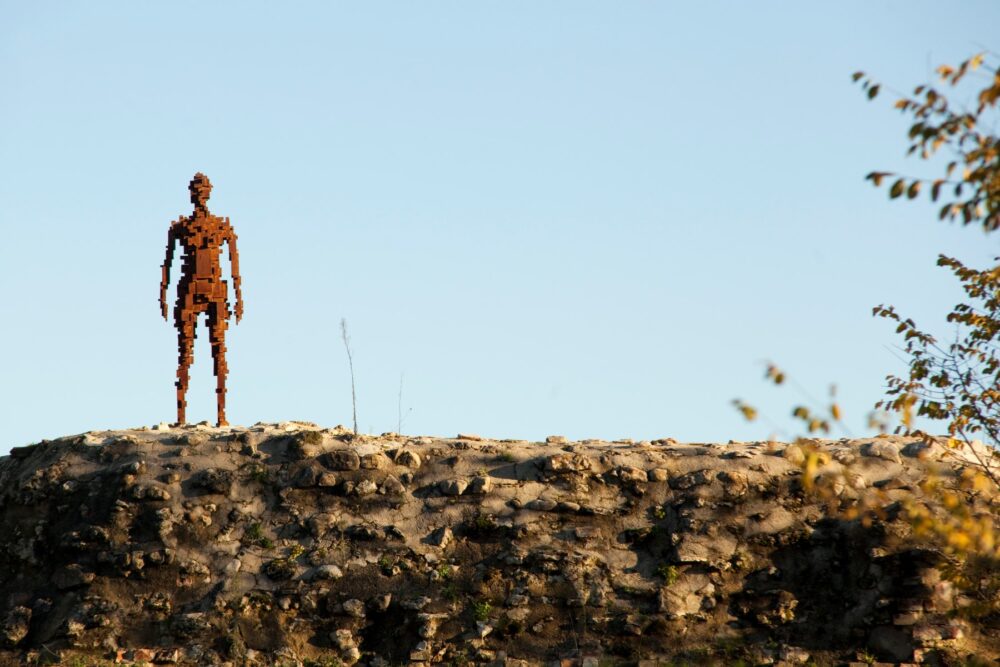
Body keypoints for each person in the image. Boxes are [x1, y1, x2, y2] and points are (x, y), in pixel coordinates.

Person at [159, 173, 243, 426]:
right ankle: (181, 417)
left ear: (208, 192)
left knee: (219, 353)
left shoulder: (221, 227)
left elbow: (234, 265)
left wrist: (238, 296)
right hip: (189, 291)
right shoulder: (180, 228)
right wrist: (163, 294)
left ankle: (221, 416)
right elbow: (168, 263)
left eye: (203, 189)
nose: (199, 194)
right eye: (196, 190)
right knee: (185, 353)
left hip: (216, 291)